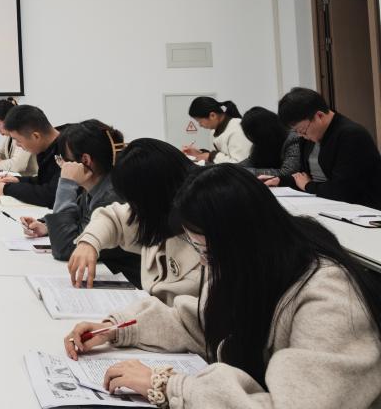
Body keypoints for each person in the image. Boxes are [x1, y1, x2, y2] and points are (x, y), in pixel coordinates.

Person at [63, 165, 381, 409]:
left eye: (207, 251)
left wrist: (167, 386)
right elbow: (203, 322)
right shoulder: (252, 264)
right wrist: (116, 329)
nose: (204, 261)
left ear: (240, 239)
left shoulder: (329, 296)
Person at [66, 138, 201, 304]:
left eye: (135, 202)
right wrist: (89, 242)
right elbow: (115, 217)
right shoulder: (162, 209)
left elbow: (191, 313)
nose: (134, 210)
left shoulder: (202, 233)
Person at [19, 120, 140, 281]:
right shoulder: (98, 185)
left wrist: (66, 183)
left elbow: (66, 248)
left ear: (85, 160)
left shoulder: (112, 196)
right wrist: (47, 226)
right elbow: (80, 220)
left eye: (62, 160)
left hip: (126, 280)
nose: (62, 166)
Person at [272, 87, 381, 208]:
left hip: (363, 209)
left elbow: (343, 190)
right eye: (296, 131)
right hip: (326, 202)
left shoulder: (351, 135)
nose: (301, 135)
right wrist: (280, 180)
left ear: (319, 115)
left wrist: (308, 186)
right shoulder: (309, 136)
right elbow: (304, 178)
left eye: (302, 130)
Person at [0, 104, 64, 207]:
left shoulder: (68, 150)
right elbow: (45, 181)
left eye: (18, 140)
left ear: (35, 136)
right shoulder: (47, 146)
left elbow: (52, 195)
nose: (17, 145)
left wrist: (7, 189)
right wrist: (18, 180)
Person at [236, 106, 302, 178]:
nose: (251, 140)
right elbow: (251, 161)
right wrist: (231, 168)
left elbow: (288, 172)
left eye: (251, 135)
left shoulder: (292, 139)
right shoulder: (260, 142)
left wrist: (246, 172)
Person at [181, 97, 252, 164]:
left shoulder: (237, 128)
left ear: (213, 115)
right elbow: (219, 156)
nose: (200, 125)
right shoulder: (214, 131)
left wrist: (211, 156)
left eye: (200, 121)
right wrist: (200, 154)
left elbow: (240, 164)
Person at [0, 97, 37, 176]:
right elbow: (1, 153)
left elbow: (18, 165)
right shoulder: (10, 135)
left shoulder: (24, 133)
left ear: (8, 119)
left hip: (32, 179)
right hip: (18, 177)